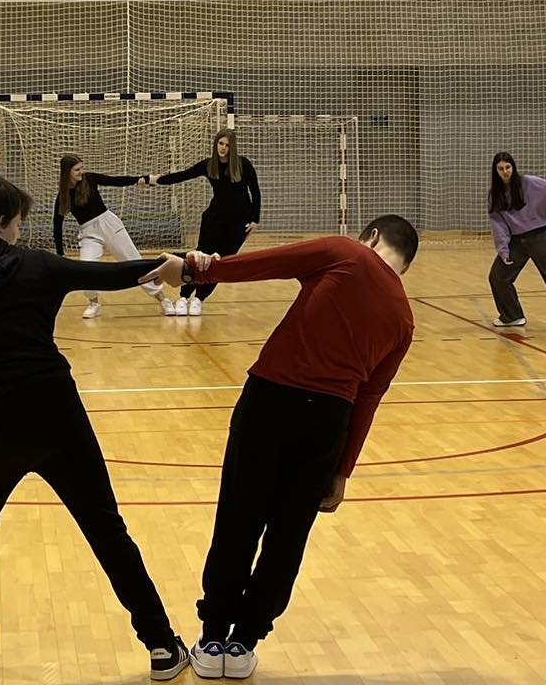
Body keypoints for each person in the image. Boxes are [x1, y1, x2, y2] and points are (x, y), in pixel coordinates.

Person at [0, 173, 191, 681]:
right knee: (106, 529)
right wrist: (172, 264)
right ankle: (162, 645)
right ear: (1, 224)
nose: (19, 230)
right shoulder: (36, 265)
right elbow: (109, 276)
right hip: (59, 416)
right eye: (16, 222)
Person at [153, 217, 418, 681]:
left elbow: (268, 263)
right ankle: (244, 643)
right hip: (329, 422)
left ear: (372, 236)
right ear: (406, 266)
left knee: (238, 519)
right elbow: (369, 399)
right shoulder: (404, 320)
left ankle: (213, 638)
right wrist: (343, 471)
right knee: (287, 538)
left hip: (270, 401)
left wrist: (196, 271)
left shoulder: (346, 252)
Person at [146, 129, 261, 315]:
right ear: (216, 144)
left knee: (220, 262)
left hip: (239, 223)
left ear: (233, 147)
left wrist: (255, 219)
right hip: (214, 219)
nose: (223, 148)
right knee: (200, 258)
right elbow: (183, 175)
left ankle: (199, 299)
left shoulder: (243, 164)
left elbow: (255, 191)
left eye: (227, 145)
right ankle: (183, 297)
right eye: (220, 144)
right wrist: (156, 180)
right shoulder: (209, 165)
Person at [55, 154, 176, 318]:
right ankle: (94, 303)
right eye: (77, 170)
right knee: (86, 268)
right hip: (89, 234)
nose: (81, 172)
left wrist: (143, 179)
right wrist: (60, 253)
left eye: (82, 168)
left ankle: (163, 299)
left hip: (110, 226)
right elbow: (57, 224)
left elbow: (115, 181)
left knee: (135, 263)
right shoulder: (63, 195)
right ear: (67, 172)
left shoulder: (89, 179)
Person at [485, 152, 546, 334]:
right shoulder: (495, 194)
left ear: (513, 167)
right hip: (516, 242)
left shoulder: (531, 183)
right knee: (498, 277)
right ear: (495, 171)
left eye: (508, 167)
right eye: (500, 169)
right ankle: (512, 316)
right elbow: (498, 224)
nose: (505, 171)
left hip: (540, 237)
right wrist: (503, 249)